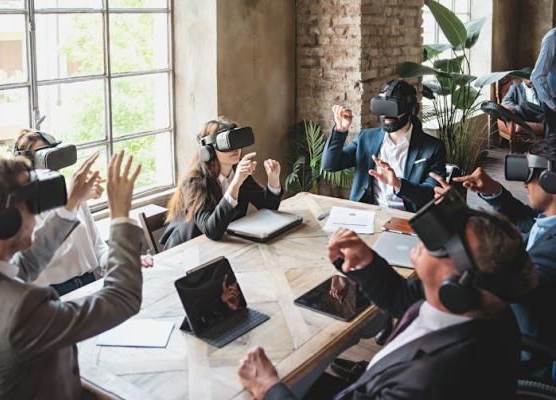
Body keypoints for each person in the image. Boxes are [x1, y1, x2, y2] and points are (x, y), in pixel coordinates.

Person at [238, 199, 537, 399]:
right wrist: (364, 261)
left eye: (443, 244)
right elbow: (403, 300)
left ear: (455, 285)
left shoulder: (424, 384)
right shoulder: (485, 306)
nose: (425, 240)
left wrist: (270, 388)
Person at [0, 150, 144, 399]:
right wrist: (120, 216)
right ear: (4, 221)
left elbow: (25, 265)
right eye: (32, 205)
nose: (37, 215)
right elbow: (121, 299)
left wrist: (71, 204)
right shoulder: (19, 311)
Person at [431, 136, 556, 357]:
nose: (524, 183)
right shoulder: (548, 219)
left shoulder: (550, 252)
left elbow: (503, 284)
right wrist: (492, 190)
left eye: (530, 176)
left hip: (521, 347)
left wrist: (459, 216)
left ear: (551, 180)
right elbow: (528, 222)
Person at [13, 129, 112, 295]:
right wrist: (71, 203)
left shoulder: (74, 195)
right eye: (46, 158)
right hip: (52, 296)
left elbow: (99, 248)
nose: (54, 165)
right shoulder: (20, 211)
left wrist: (120, 261)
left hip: (92, 285)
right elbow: (41, 255)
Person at [322, 80, 446, 212]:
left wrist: (398, 184)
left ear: (412, 110)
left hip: (407, 218)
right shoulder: (367, 138)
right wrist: (340, 130)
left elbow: (431, 195)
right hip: (368, 214)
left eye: (394, 109)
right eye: (383, 108)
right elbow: (330, 165)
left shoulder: (432, 148)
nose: (387, 115)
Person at [160, 118, 283, 249]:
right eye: (226, 144)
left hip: (222, 246)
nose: (235, 149)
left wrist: (273, 180)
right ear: (209, 150)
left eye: (236, 141)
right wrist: (235, 184)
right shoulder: (194, 182)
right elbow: (211, 230)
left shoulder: (238, 172)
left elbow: (268, 207)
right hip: (187, 252)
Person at [531, 27, 556, 137]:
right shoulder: (552, 38)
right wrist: (552, 105)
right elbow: (537, 76)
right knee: (552, 148)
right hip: (554, 103)